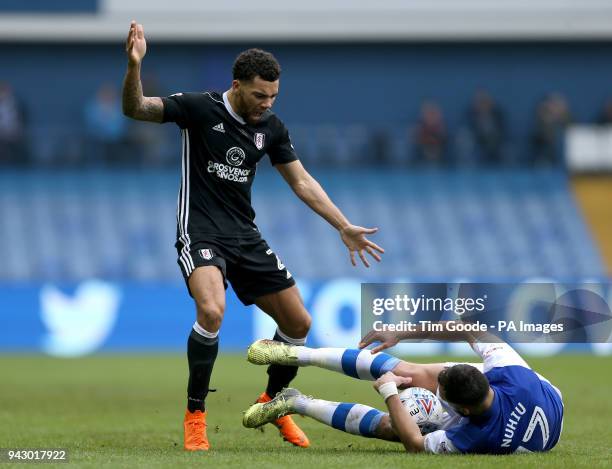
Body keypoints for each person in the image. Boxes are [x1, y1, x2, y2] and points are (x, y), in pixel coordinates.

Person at [121, 21, 384, 451]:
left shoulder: (273, 128)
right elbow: (136, 109)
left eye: (273, 96)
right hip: (200, 229)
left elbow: (302, 183)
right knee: (211, 310)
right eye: (259, 95)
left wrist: (343, 225)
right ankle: (195, 416)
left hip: (245, 235)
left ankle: (273, 404)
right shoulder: (199, 108)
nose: (266, 103)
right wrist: (134, 67)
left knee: (299, 322)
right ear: (236, 85)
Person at [242, 325, 564, 454]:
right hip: (539, 395)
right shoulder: (511, 372)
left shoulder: (474, 437)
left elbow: (414, 444)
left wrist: (389, 393)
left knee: (393, 427)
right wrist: (402, 333)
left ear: (461, 411)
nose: (439, 383)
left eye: (443, 393)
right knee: (409, 372)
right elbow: (472, 328)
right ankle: (296, 353)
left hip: (504, 420)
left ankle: (296, 403)